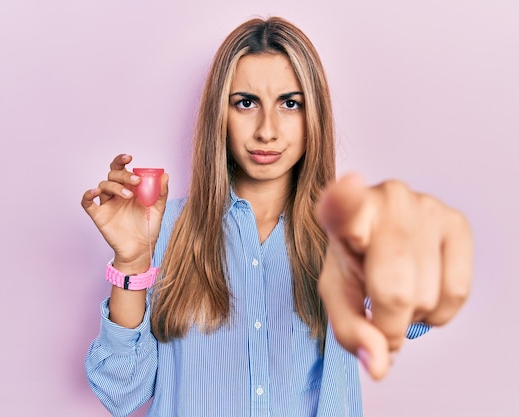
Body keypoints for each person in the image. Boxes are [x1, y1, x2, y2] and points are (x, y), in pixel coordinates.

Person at [81, 16, 472, 417]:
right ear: (221, 114)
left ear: (313, 115)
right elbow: (121, 391)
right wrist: (130, 264)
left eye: (290, 103)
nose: (267, 131)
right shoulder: (163, 230)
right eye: (246, 103)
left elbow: (414, 317)